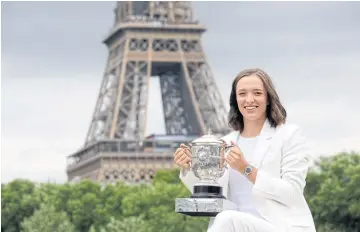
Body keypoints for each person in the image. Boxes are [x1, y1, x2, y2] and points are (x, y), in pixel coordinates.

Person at [173, 68, 316, 232]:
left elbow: (291, 193)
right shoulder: (225, 142)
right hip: (235, 227)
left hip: (280, 227)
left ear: (268, 98)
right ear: (235, 100)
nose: (249, 99)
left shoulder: (288, 135)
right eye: (242, 94)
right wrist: (189, 167)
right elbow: (212, 192)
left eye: (257, 93)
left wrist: (246, 169)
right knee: (227, 218)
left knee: (227, 218)